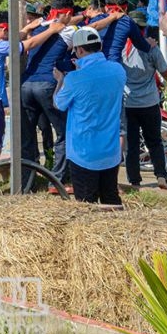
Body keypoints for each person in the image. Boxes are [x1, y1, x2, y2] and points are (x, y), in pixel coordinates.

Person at [0, 11, 70, 193]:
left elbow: (14, 41)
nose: (8, 36)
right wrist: (51, 30)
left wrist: (27, 28)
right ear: (0, 29)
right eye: (7, 32)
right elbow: (29, 43)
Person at [54, 27, 126, 204]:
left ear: (79, 50)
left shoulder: (74, 78)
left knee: (86, 205)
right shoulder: (118, 70)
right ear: (99, 46)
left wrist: (60, 81)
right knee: (111, 199)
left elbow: (59, 103)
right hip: (110, 150)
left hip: (83, 152)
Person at [122, 11, 167, 189]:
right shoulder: (151, 48)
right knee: (154, 141)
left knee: (132, 145)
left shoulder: (119, 49)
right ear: (143, 30)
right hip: (149, 103)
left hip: (128, 103)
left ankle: (135, 181)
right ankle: (161, 176)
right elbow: (165, 71)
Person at [20, 0, 80, 185]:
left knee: (27, 135)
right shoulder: (69, 30)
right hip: (48, 85)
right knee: (63, 132)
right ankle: (57, 180)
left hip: (26, 85)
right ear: (68, 13)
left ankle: (26, 182)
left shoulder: (37, 27)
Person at [86, 0, 151, 63]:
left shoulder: (95, 20)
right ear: (125, 8)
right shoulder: (127, 21)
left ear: (106, 7)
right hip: (114, 65)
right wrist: (149, 44)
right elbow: (142, 46)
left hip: (93, 64)